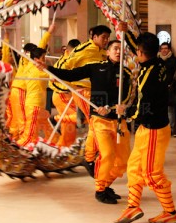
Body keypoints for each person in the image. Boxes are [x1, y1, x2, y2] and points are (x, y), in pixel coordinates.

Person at [46, 40, 133, 205]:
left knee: (122, 161)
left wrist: (120, 107)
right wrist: (48, 68)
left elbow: (129, 96)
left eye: (121, 49)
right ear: (107, 52)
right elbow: (70, 75)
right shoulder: (95, 67)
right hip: (100, 120)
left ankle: (106, 184)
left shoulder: (126, 73)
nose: (118, 51)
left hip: (119, 122)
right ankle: (100, 190)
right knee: (107, 155)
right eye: (115, 48)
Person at [114, 24, 176, 223]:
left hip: (154, 130)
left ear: (142, 53)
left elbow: (143, 109)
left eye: (138, 52)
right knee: (134, 167)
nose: (136, 54)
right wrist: (126, 33)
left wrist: (124, 112)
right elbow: (140, 46)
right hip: (147, 129)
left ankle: (170, 212)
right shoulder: (157, 64)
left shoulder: (150, 77)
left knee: (151, 173)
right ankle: (133, 206)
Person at [49, 25, 110, 147]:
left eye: (108, 38)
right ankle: (91, 152)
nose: (106, 40)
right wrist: (55, 74)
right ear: (94, 37)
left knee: (95, 121)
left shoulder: (102, 51)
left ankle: (92, 151)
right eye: (103, 37)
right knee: (96, 121)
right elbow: (67, 63)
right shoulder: (84, 49)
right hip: (82, 91)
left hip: (94, 92)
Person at [16, 48, 52, 147]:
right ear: (36, 59)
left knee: (48, 128)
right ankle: (16, 149)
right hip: (35, 105)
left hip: (37, 105)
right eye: (43, 58)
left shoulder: (29, 66)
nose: (44, 60)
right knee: (29, 135)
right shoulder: (39, 72)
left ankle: (55, 144)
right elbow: (53, 76)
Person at [158, 42, 176, 134]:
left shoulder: (174, 60)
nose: (164, 50)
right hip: (159, 89)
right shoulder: (157, 60)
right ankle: (162, 128)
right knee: (160, 110)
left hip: (170, 88)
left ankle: (171, 128)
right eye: (162, 48)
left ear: (169, 49)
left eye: (165, 48)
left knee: (170, 110)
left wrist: (171, 84)